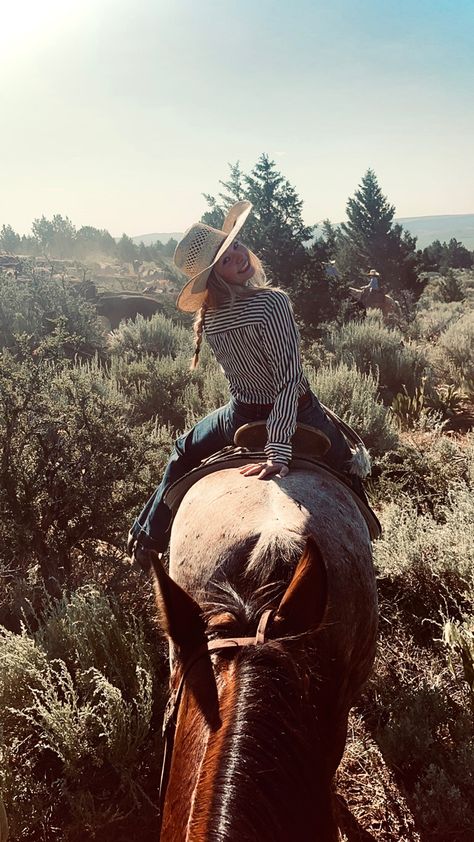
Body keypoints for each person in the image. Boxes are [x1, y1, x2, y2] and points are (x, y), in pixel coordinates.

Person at [127, 201, 370, 568]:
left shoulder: (209, 317)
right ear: (216, 276)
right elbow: (288, 382)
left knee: (182, 451)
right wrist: (277, 449)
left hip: (238, 417)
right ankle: (367, 544)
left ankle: (147, 537)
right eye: (226, 259)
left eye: (235, 246)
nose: (238, 256)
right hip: (298, 410)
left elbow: (242, 378)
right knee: (350, 466)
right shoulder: (273, 303)